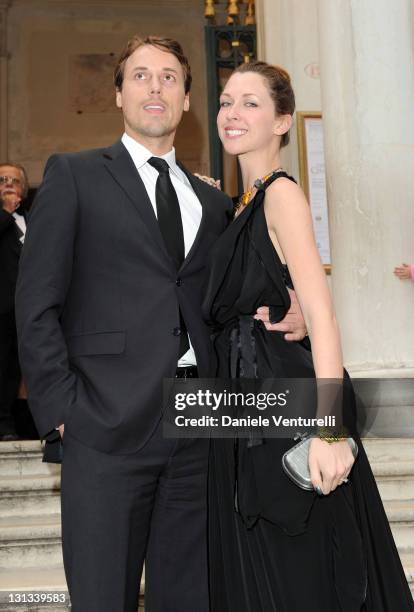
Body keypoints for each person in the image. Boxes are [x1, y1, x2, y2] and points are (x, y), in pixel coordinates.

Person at [15, 38, 305, 612]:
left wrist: (288, 312)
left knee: (193, 596)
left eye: (169, 77)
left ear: (188, 100)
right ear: (119, 93)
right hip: (103, 423)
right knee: (102, 597)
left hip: (199, 427)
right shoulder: (73, 176)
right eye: (141, 75)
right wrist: (62, 409)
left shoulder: (213, 202)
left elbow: (227, 307)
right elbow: (36, 302)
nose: (155, 87)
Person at [202, 61, 414, 611]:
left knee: (302, 563)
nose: (232, 113)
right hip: (244, 399)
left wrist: (331, 429)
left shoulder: (281, 196)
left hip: (284, 401)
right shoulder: (242, 202)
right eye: (227, 101)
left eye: (251, 102)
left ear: (282, 121)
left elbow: (322, 315)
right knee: (267, 562)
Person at [0, 163, 28, 441]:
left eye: (14, 180)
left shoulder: (32, 218)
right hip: (1, 310)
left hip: (27, 311)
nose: (9, 184)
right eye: (2, 180)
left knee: (23, 370)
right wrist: (6, 212)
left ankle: (22, 423)